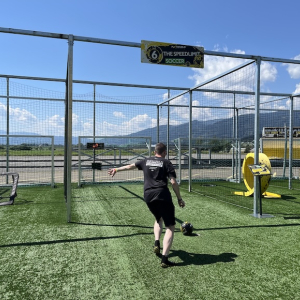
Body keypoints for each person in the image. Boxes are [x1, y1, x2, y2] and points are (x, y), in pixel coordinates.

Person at [108, 142, 185, 268]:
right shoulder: (167, 163)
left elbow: (129, 167)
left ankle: (156, 242)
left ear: (154, 152)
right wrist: (179, 198)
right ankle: (165, 259)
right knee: (170, 226)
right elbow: (173, 182)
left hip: (148, 195)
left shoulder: (145, 161)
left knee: (158, 218)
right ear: (165, 153)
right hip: (163, 194)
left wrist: (116, 169)